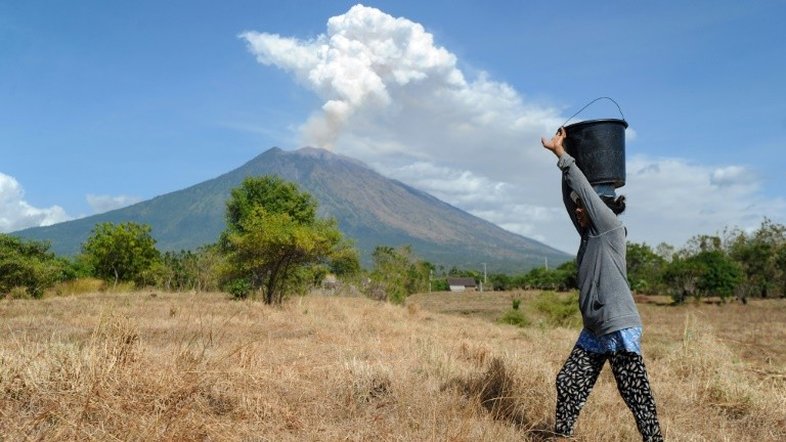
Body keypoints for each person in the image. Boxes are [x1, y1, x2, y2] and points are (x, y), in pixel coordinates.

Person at [541, 127, 663, 441]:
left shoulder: (610, 228)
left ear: (598, 206)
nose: (577, 210)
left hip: (618, 326)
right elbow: (573, 196)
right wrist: (564, 153)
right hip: (595, 330)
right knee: (568, 381)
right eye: (578, 206)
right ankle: (562, 436)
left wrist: (563, 158)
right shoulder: (589, 236)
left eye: (583, 205)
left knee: (636, 394)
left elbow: (582, 191)